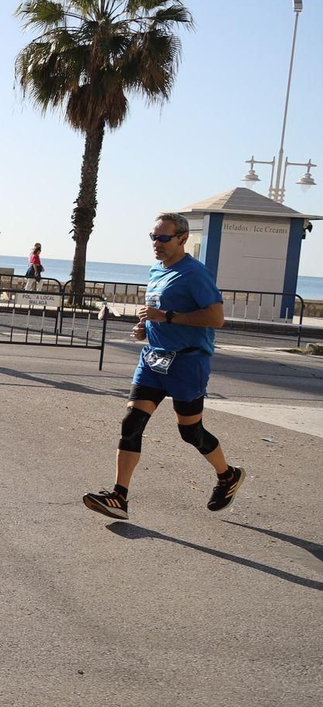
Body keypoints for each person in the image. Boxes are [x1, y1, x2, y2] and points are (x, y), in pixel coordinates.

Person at [82, 213, 245, 521]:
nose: (156, 244)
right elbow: (154, 311)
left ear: (182, 239)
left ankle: (228, 475)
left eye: (163, 238)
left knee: (190, 431)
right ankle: (119, 496)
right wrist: (145, 327)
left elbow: (216, 318)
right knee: (131, 423)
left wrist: (166, 317)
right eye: (153, 237)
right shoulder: (156, 269)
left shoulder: (195, 274)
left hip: (188, 361)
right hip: (154, 358)